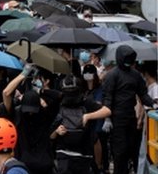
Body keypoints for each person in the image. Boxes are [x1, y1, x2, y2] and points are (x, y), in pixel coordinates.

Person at [101, 44, 153, 174]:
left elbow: (143, 94)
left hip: (130, 117)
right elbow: (107, 97)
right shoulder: (112, 75)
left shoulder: (135, 75)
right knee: (120, 152)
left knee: (133, 149)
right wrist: (107, 118)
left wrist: (153, 104)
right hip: (117, 118)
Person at [50, 74, 111, 174]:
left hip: (83, 154)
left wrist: (88, 116)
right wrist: (56, 131)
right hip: (64, 153)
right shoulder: (58, 104)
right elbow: (50, 135)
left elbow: (107, 111)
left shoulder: (86, 103)